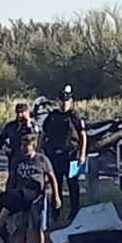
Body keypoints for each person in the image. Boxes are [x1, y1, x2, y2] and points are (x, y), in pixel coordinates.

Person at [43, 84, 88, 219]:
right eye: (62, 101)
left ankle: (74, 211)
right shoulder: (52, 116)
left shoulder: (74, 116)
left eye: (66, 101)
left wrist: (82, 153)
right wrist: (39, 151)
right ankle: (56, 211)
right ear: (58, 101)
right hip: (54, 155)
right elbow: (43, 134)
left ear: (71, 101)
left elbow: (83, 135)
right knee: (56, 183)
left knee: (72, 184)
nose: (64, 104)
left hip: (70, 155)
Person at [0, 103, 40, 190]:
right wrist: (7, 149)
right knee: (13, 181)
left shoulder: (33, 125)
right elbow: (1, 140)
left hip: (29, 159)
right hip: (14, 158)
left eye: (22, 112)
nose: (20, 115)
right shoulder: (11, 126)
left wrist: (28, 124)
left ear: (27, 112)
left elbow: (36, 136)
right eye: (18, 112)